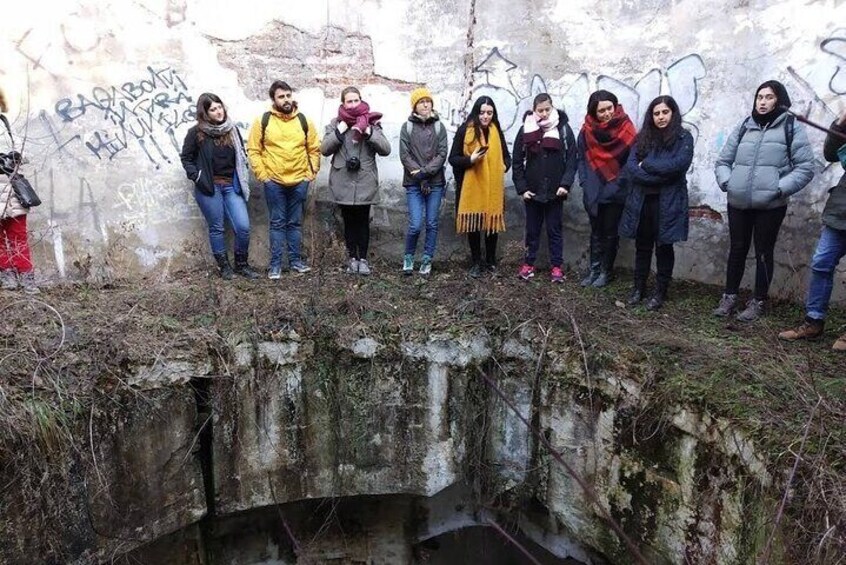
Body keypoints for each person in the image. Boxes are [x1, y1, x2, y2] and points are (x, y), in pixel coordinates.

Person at [713, 80, 815, 321]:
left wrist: (778, 189)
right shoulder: (744, 126)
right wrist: (728, 183)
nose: (763, 101)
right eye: (759, 97)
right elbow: (723, 162)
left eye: (769, 97)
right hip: (738, 201)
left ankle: (758, 301)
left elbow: (805, 167)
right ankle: (729, 297)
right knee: (737, 250)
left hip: (770, 205)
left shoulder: (791, 127)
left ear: (779, 100)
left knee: (763, 252)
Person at [779, 109, 846, 351]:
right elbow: (831, 153)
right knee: (821, 263)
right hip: (841, 212)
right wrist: (840, 122)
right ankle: (813, 321)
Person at [619, 95, 694, 310]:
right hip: (642, 202)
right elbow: (632, 168)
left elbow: (678, 166)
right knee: (642, 247)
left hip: (668, 202)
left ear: (673, 113)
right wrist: (656, 171)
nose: (660, 117)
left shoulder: (683, 138)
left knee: (664, 247)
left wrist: (648, 164)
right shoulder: (643, 137)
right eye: (656, 113)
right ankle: (638, 289)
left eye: (665, 112)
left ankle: (660, 292)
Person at [180, 93, 259, 280]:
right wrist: (197, 176)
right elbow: (186, 158)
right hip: (209, 188)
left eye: (220, 107)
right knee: (217, 228)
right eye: (213, 109)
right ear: (205, 113)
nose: (218, 112)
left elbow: (241, 154)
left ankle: (242, 265)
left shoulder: (232, 130)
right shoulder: (196, 133)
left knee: (243, 227)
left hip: (232, 185)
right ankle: (224, 268)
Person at [247, 80, 320, 278]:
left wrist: (309, 175)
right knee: (278, 222)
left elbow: (313, 149)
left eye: (288, 95)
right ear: (273, 100)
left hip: (299, 180)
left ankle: (296, 261)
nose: (286, 100)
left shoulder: (304, 120)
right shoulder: (263, 121)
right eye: (281, 96)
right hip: (274, 182)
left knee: (295, 223)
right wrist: (264, 176)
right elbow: (254, 150)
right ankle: (276, 265)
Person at [321, 87, 391, 276]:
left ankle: (363, 260)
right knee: (349, 221)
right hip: (343, 179)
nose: (353, 105)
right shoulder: (335, 123)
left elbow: (386, 149)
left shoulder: (372, 123)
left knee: (363, 221)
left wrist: (368, 132)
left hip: (364, 181)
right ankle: (352, 258)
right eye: (349, 101)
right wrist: (339, 132)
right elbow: (324, 148)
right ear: (342, 103)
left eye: (356, 100)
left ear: (361, 100)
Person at [512, 93, 576, 283]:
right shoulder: (526, 129)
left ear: (552, 107)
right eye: (540, 110)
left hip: (555, 192)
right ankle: (528, 264)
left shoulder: (563, 129)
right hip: (532, 192)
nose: (544, 113)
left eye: (547, 109)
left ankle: (556, 267)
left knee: (555, 230)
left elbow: (572, 159)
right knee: (532, 230)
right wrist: (522, 188)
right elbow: (517, 161)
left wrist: (565, 184)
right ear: (534, 110)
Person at [576, 90, 637, 288]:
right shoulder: (586, 132)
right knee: (596, 231)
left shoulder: (627, 128)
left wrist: (616, 186)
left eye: (609, 108)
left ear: (615, 106)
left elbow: (631, 163)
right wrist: (585, 183)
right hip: (594, 189)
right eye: (601, 110)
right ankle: (594, 269)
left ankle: (605, 271)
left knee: (611, 232)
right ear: (594, 112)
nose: (606, 113)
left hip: (616, 190)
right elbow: (582, 161)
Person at [449, 95, 512, 278]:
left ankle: (491, 261)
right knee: (474, 224)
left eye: (489, 113)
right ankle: (476, 262)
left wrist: (502, 166)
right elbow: (453, 159)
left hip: (493, 186)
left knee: (491, 223)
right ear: (476, 113)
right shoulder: (465, 130)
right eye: (482, 112)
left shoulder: (496, 131)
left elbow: (507, 157)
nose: (485, 116)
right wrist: (471, 160)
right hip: (471, 186)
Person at [399, 87, 448, 276]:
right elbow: (404, 154)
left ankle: (427, 258)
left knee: (432, 223)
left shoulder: (439, 127)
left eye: (428, 101)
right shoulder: (407, 127)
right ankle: (409, 256)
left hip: (435, 182)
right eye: (421, 102)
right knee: (415, 224)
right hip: (413, 183)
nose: (425, 104)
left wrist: (425, 172)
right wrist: (417, 174)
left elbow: (442, 153)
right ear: (414, 106)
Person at [0, 87, 38, 294]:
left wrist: (14, 157)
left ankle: (26, 277)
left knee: (18, 239)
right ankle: (7, 277)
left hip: (13, 194)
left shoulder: (9, 127)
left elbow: (26, 154)